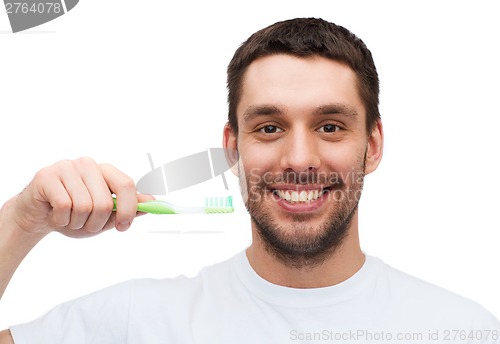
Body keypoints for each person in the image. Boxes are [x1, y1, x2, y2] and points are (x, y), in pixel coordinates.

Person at [0, 17, 498, 343]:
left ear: (372, 145)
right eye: (269, 127)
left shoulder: (464, 330)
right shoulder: (137, 321)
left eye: (330, 126)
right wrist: (22, 221)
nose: (299, 158)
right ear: (233, 148)